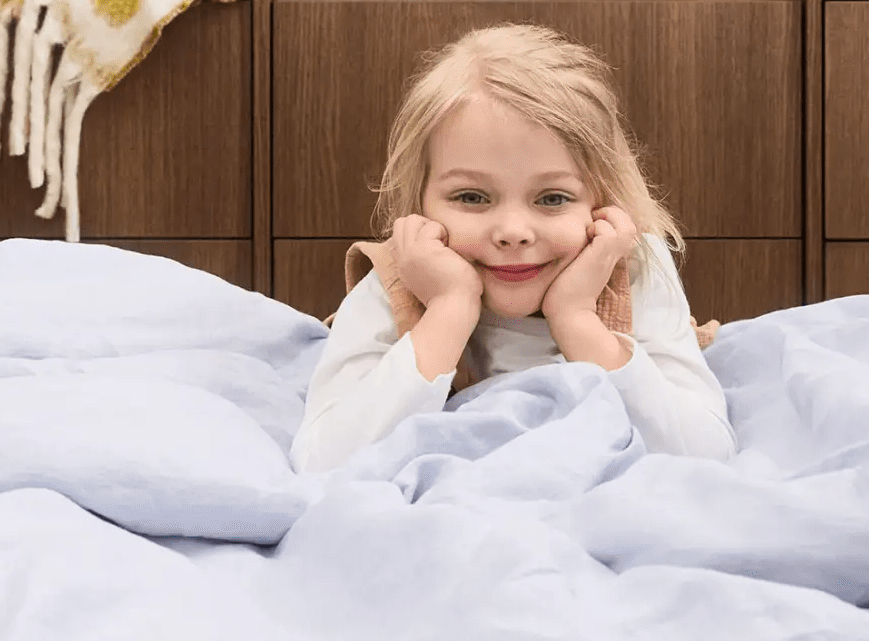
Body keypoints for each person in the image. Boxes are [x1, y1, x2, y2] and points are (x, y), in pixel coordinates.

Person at [291, 23, 736, 473]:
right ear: (419, 200)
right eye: (472, 197)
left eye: (552, 199)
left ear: (602, 202)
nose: (513, 232)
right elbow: (321, 463)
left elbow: (705, 455)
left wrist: (577, 320)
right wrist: (448, 310)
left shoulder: (632, 268)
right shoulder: (399, 280)